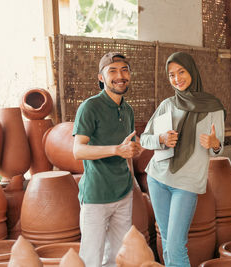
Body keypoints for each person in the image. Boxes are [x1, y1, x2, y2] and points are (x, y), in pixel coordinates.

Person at [140, 51, 225, 266]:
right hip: (157, 178)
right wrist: (161, 139)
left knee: (176, 245)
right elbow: (144, 139)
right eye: (171, 75)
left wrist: (214, 143)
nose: (177, 78)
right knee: (168, 243)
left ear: (192, 72)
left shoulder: (213, 107)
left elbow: (219, 147)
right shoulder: (167, 104)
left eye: (181, 72)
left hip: (186, 184)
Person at [72, 52, 142, 267]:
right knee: (91, 257)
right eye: (112, 71)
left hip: (123, 192)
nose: (120, 75)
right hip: (96, 195)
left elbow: (128, 147)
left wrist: (134, 150)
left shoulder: (127, 109)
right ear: (101, 78)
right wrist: (116, 150)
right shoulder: (90, 107)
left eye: (124, 70)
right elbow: (78, 151)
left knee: (119, 256)